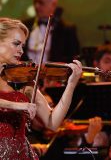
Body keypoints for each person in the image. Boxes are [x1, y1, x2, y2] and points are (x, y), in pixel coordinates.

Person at [0, 17, 82, 159]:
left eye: (23, 46)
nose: (21, 51)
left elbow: (52, 122)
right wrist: (18, 106)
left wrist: (71, 84)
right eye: (16, 44)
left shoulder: (22, 81)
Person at [22, 0, 80, 64]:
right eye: (35, 2)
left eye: (41, 3)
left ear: (53, 5)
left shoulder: (67, 29)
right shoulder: (24, 25)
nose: (36, 6)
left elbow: (72, 58)